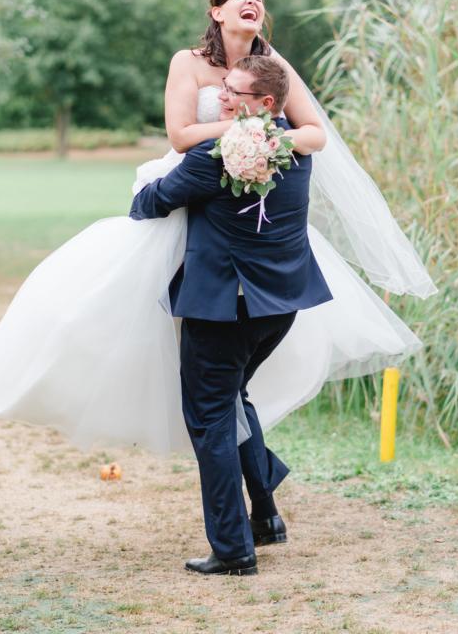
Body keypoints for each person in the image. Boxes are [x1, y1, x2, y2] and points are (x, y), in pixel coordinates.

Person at [0, 0, 435, 456]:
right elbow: (181, 134)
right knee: (135, 322)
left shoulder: (274, 68)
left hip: (252, 215)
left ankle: (247, 468)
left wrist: (263, 139)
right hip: (192, 195)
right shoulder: (187, 63)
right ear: (217, 12)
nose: (252, 1)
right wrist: (240, 130)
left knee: (225, 371)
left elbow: (314, 135)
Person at [131, 55, 328, 575]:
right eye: (222, 86)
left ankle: (233, 548)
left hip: (224, 309)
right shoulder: (296, 150)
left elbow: (153, 203)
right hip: (280, 306)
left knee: (210, 417)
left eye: (232, 92)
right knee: (233, 400)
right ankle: (265, 515)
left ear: (266, 103)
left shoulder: (213, 155)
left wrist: (143, 187)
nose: (220, 97)